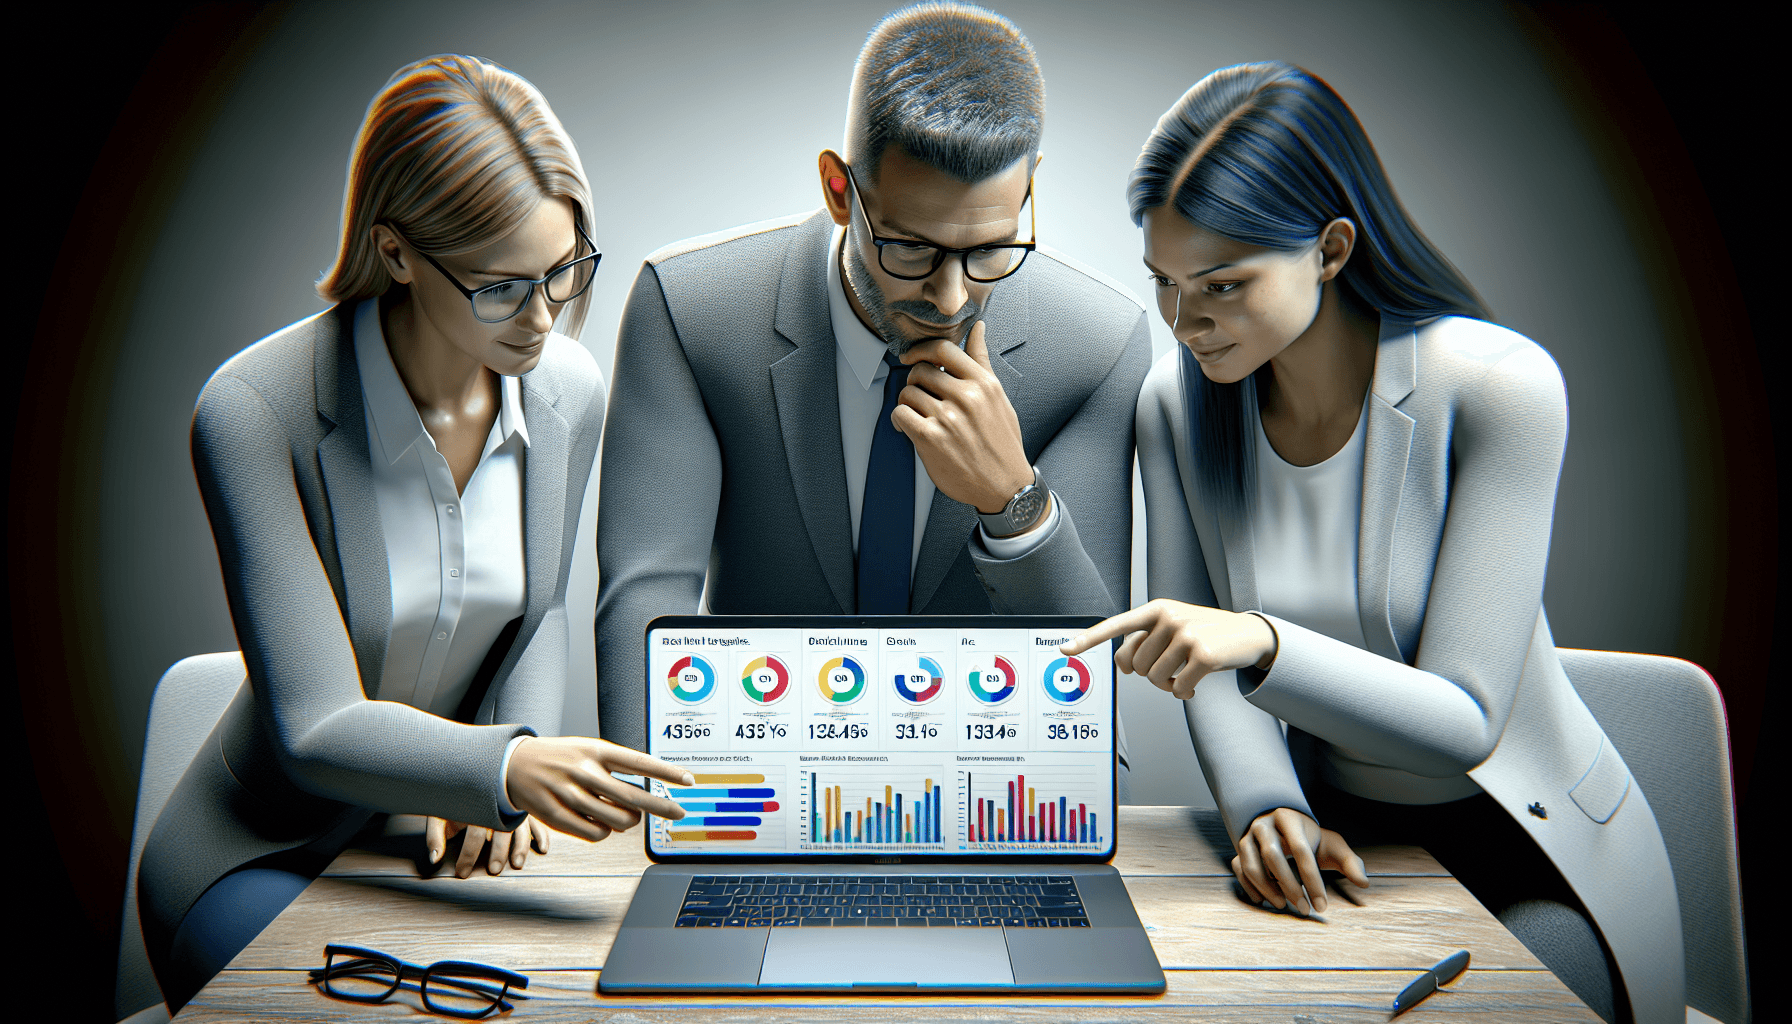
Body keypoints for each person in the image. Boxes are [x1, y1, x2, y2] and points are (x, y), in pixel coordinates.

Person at [1058, 62, 1683, 1024]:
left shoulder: (1495, 387)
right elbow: (1199, 667)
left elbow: (1465, 718)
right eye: (1167, 286)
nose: (1184, 324)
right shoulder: (1175, 411)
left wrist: (1261, 638)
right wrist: (1265, 806)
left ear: (1332, 249)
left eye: (1223, 285)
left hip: (1531, 844)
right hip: (1345, 836)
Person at [135, 55, 692, 1012]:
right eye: (501, 287)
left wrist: (501, 764)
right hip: (264, 854)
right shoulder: (252, 412)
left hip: (434, 848)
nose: (547, 315)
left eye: (564, 271)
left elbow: (539, 611)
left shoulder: (567, 393)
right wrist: (505, 764)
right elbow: (311, 726)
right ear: (396, 253)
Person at [595, 1, 1151, 779]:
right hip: (751, 800)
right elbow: (648, 596)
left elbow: (1096, 714)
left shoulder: (1098, 345)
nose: (952, 298)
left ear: (1028, 189)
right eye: (910, 249)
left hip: (981, 807)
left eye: (991, 248)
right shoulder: (689, 311)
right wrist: (644, 825)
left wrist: (1015, 501)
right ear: (837, 189)